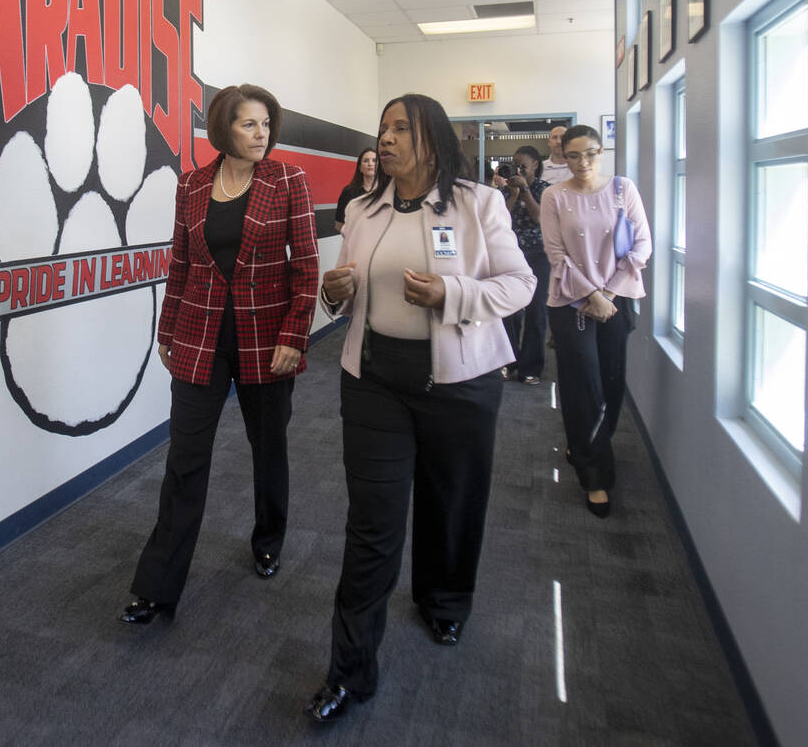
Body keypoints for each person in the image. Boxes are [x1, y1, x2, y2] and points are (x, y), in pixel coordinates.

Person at [304, 94, 535, 722]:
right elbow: (345, 295)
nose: (386, 138)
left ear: (430, 138)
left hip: (460, 385)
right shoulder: (361, 209)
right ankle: (350, 672)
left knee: (450, 504)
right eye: (382, 128)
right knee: (371, 525)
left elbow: (520, 285)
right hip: (375, 382)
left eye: (400, 128)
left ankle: (444, 603)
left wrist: (451, 292)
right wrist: (334, 291)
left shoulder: (476, 204)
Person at [119, 83, 319, 624]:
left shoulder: (287, 181)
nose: (262, 135)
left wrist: (294, 336)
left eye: (266, 125)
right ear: (223, 129)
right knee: (184, 462)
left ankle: (269, 538)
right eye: (249, 125)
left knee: (268, 449)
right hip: (201, 338)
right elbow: (181, 263)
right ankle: (158, 586)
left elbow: (306, 266)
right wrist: (167, 331)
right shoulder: (194, 184)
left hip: (267, 341)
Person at [541, 125, 651, 518]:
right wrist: (591, 295)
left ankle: (586, 443)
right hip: (571, 303)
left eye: (590, 153)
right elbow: (556, 254)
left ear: (601, 152)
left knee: (612, 382)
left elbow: (642, 244)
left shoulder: (623, 189)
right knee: (583, 385)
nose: (583, 162)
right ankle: (596, 476)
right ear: (563, 157)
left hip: (616, 300)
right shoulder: (554, 195)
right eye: (574, 155)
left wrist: (609, 294)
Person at [502, 146, 551, 384]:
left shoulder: (545, 190)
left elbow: (540, 218)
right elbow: (500, 221)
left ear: (535, 165)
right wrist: (512, 194)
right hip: (511, 255)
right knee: (509, 311)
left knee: (536, 310)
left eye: (523, 165)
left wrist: (525, 191)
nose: (518, 169)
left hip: (539, 255)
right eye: (515, 165)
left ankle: (530, 368)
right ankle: (508, 363)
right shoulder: (505, 191)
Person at [334, 148, 378, 233]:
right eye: (366, 161)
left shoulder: (387, 192)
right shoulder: (349, 192)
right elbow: (339, 224)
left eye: (374, 161)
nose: (370, 164)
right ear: (360, 168)